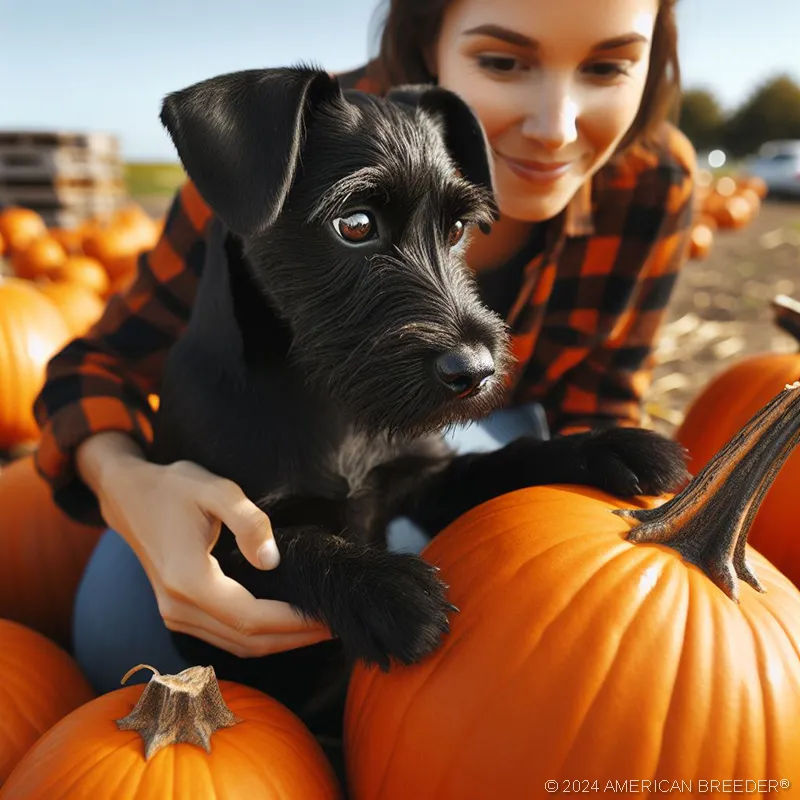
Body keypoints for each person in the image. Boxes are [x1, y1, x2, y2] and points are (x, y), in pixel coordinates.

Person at [33, 0, 696, 695]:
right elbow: (95, 362)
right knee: (121, 638)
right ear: (427, 33)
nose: (554, 127)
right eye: (502, 60)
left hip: (457, 431)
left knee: (474, 620)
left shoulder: (648, 179)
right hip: (248, 459)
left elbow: (590, 401)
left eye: (606, 65)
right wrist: (125, 482)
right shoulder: (267, 149)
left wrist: (586, 462)